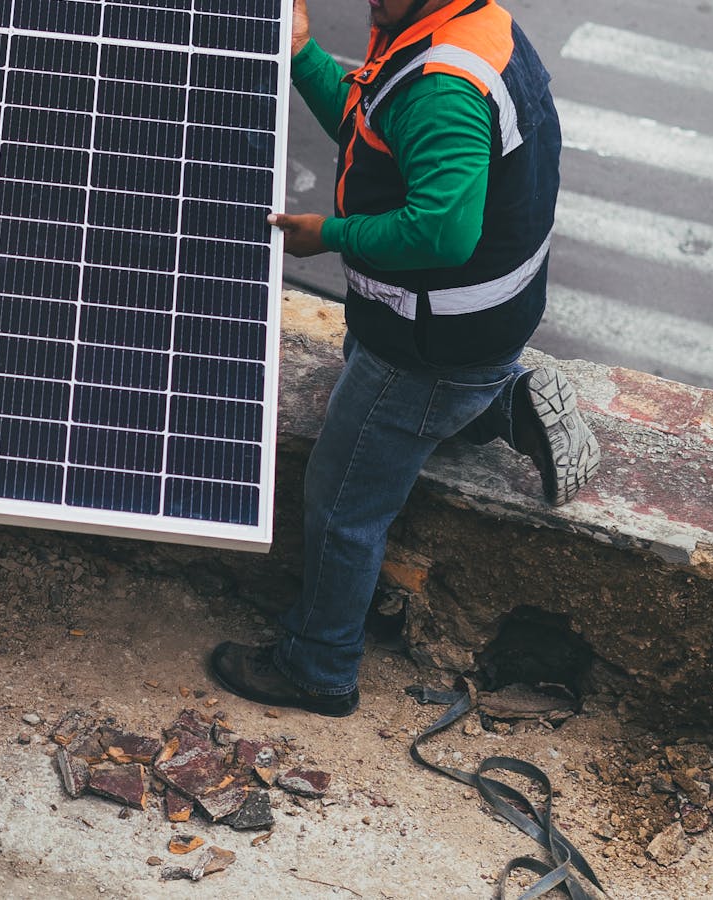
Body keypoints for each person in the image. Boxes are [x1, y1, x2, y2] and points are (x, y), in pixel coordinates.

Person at [211, 0, 601, 717]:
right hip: (464, 327)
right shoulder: (470, 28)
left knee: (341, 501)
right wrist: (302, 54)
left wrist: (328, 234)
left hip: (429, 344)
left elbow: (442, 235)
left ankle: (318, 664)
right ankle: (505, 402)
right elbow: (377, 131)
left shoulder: (443, 85)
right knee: (388, 405)